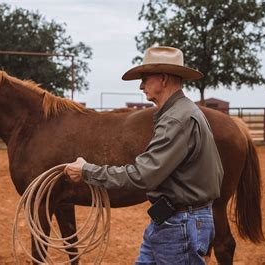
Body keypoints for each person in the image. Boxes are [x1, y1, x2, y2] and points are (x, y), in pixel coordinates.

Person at [65, 46, 224, 264]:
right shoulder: (183, 112)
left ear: (164, 79)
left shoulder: (176, 120)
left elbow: (144, 175)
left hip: (180, 225)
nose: (141, 85)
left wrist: (88, 171)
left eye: (145, 78)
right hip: (173, 221)